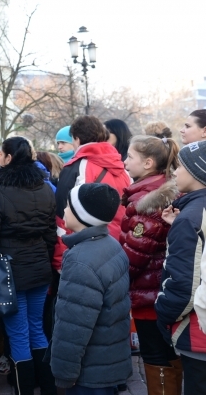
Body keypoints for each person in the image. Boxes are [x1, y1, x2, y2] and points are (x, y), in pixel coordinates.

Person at [0, 137, 57, 395]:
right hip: (39, 268)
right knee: (37, 328)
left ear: (9, 157)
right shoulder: (44, 188)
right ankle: (48, 388)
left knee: (18, 333)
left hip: (9, 272)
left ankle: (24, 390)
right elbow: (50, 234)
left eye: (2, 154)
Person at [51, 183, 132, 395]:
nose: (64, 210)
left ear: (82, 214)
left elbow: (74, 326)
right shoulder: (111, 245)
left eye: (69, 206)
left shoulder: (80, 260)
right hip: (107, 362)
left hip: (88, 373)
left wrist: (64, 373)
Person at [120, 135, 182, 393]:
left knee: (156, 354)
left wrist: (117, 279)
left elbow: (134, 256)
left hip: (149, 294)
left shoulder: (148, 201)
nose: (125, 161)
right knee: (167, 353)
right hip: (157, 289)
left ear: (147, 163)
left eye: (130, 157)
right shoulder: (155, 191)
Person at [156, 141, 206, 395]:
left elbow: (184, 286)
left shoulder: (190, 219)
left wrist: (163, 316)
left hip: (199, 331)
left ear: (198, 171)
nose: (175, 172)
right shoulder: (192, 215)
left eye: (181, 166)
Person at [55, 115, 131, 240]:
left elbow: (62, 214)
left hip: (86, 240)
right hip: (118, 240)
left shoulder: (75, 167)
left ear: (77, 139)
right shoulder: (123, 167)